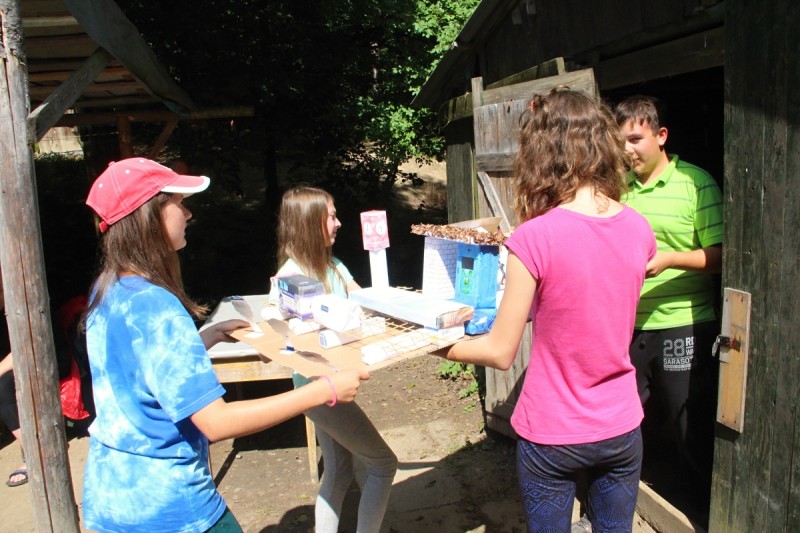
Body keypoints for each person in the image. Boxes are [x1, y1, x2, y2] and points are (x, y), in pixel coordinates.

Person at [81, 158, 369, 532]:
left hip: (109, 498)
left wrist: (203, 339)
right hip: (173, 509)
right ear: (148, 216)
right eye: (178, 202)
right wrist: (324, 390)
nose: (188, 213)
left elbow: (137, 374)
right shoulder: (157, 306)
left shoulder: (107, 290)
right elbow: (216, 422)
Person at [441, 89, 656, 532]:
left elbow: (500, 352)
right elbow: (588, 302)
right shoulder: (639, 228)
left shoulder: (534, 237)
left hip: (554, 433)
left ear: (541, 154)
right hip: (621, 425)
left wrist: (436, 345)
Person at [268, 186, 398, 533]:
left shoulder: (333, 266)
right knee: (383, 464)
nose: (339, 223)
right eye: (331, 216)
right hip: (318, 392)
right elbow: (285, 336)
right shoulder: (290, 278)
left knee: (339, 471)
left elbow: (366, 303)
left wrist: (388, 296)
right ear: (309, 223)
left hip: (335, 388)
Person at [614, 96, 722, 498]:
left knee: (688, 423)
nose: (627, 150)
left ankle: (698, 506)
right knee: (620, 420)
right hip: (628, 325)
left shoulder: (696, 184)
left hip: (684, 322)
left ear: (661, 136)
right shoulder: (617, 191)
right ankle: (616, 499)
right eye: (621, 142)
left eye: (635, 139)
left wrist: (671, 259)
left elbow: (723, 256)